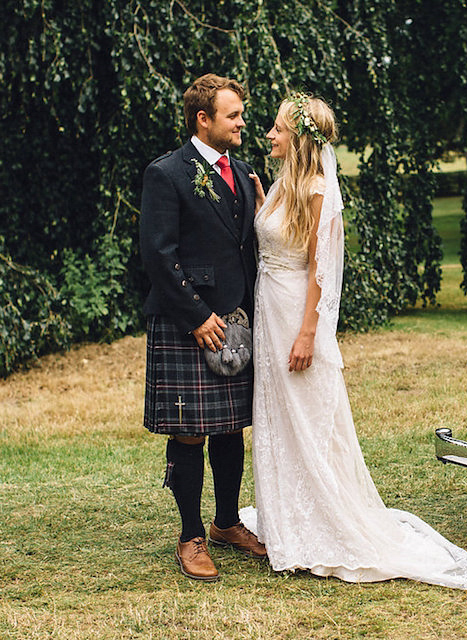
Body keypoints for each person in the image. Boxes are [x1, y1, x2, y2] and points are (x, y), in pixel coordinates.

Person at [240, 93, 467, 592]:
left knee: (310, 418)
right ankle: (287, 516)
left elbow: (320, 265)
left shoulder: (319, 190)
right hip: (268, 311)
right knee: (280, 418)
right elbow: (277, 236)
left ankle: (322, 524)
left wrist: (309, 332)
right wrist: (260, 203)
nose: (268, 135)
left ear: (297, 139)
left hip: (296, 313)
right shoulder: (281, 185)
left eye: (277, 129)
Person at [140, 73, 267, 582]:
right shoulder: (166, 173)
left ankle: (226, 522)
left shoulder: (242, 169)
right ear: (204, 119)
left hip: (235, 321)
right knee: (190, 431)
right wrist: (196, 317)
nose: (241, 122)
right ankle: (190, 534)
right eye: (233, 115)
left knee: (231, 426)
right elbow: (157, 254)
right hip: (189, 321)